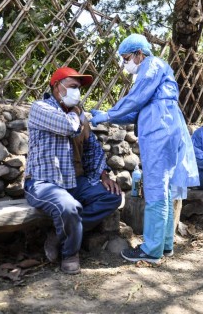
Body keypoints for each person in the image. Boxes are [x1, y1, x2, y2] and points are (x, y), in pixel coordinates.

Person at [90, 33, 199, 264]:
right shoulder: (153, 76)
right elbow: (133, 111)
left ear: (140, 53)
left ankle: (151, 250)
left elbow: (135, 99)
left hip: (160, 131)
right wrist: (107, 118)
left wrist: (109, 113)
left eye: (127, 57)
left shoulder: (152, 64)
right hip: (163, 128)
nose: (124, 63)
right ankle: (165, 245)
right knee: (164, 188)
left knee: (156, 188)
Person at [24, 67, 123, 275]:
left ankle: (58, 235)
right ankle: (70, 253)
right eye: (73, 87)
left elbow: (92, 147)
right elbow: (68, 127)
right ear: (57, 87)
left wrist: (103, 175)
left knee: (112, 197)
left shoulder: (78, 115)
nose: (77, 93)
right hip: (44, 183)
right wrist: (79, 114)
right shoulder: (41, 108)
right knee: (70, 207)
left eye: (79, 88)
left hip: (75, 181)